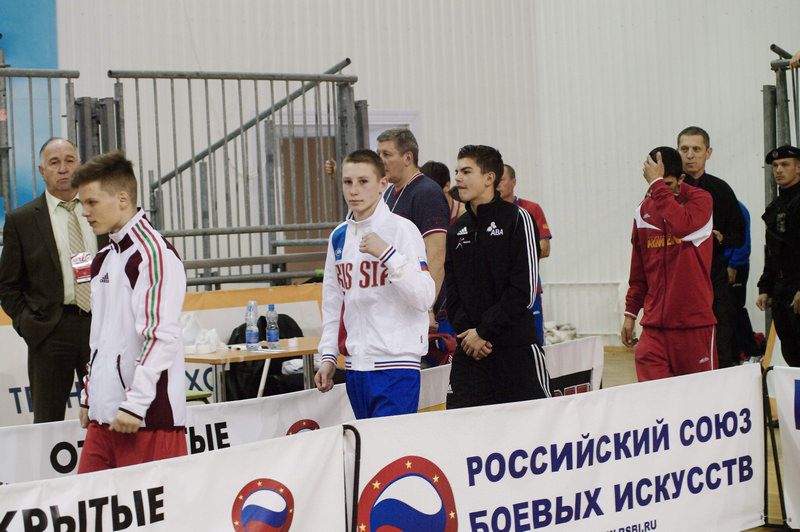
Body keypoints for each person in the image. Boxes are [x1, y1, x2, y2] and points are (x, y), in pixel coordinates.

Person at [71, 151, 188, 472]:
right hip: (104, 418)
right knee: (85, 502)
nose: (85, 212)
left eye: (92, 202)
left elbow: (161, 336)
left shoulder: (154, 255)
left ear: (123, 198)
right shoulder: (102, 259)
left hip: (147, 420)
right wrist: (89, 396)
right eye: (82, 203)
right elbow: (98, 339)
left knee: (162, 508)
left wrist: (136, 404)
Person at [315, 149, 435, 418]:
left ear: (383, 184)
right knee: (368, 443)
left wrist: (388, 255)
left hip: (396, 364)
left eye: (363, 181)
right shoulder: (339, 236)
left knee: (391, 443)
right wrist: (328, 355)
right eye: (348, 182)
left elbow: (425, 296)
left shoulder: (402, 229)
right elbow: (333, 302)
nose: (354, 190)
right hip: (356, 367)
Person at [0, 138, 106, 423]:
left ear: (80, 165)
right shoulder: (21, 220)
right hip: (50, 331)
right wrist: (29, 325)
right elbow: (7, 285)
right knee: (48, 421)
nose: (63, 169)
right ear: (42, 171)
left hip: (101, 327)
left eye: (70, 160)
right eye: (54, 162)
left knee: (106, 414)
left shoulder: (102, 211)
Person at [445, 145, 550, 408]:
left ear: (489, 178)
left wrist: (484, 331)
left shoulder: (518, 219)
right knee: (461, 426)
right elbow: (452, 292)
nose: (458, 178)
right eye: (457, 171)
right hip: (471, 351)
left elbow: (524, 290)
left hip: (514, 351)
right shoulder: (457, 230)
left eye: (466, 171)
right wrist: (470, 336)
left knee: (532, 425)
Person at [621, 147, 717, 381]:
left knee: (699, 398)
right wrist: (630, 313)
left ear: (682, 179)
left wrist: (656, 184)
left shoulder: (701, 200)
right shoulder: (643, 211)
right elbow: (639, 271)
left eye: (667, 184)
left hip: (693, 326)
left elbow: (682, 225)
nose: (660, 191)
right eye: (655, 184)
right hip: (654, 328)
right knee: (652, 397)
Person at [677, 126, 746, 368]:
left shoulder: (721, 190)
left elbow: (739, 234)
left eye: (696, 149)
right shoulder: (666, 190)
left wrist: (721, 238)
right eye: (684, 149)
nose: (690, 155)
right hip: (678, 279)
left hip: (712, 276)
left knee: (721, 341)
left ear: (708, 152)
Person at [377, 129, 449, 329]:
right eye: (378, 154)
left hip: (422, 305)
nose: (380, 161)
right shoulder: (389, 193)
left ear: (408, 158)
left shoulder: (427, 192)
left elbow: (436, 253)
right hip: (400, 300)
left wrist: (428, 307)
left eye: (387, 154)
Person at [756, 145, 800, 367]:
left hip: (797, 288)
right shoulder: (777, 206)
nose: (779, 170)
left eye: (785, 164)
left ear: (798, 168)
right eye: (775, 166)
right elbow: (772, 252)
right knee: (792, 356)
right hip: (781, 292)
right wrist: (765, 287)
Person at [498, 163, 550, 344]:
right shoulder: (486, 212)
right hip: (497, 291)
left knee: (533, 342)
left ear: (514, 181)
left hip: (528, 288)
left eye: (502, 179)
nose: (497, 184)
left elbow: (545, 248)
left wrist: (509, 256)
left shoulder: (531, 208)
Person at [723, 201, 761, 363]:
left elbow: (743, 242)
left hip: (736, 265)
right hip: (720, 265)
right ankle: (732, 356)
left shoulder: (737, 208)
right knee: (723, 312)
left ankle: (752, 352)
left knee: (735, 309)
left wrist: (733, 265)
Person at [420, 160, 466, 225]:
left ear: (447, 186)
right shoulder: (422, 211)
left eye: (431, 193)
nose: (427, 198)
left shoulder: (463, 214)